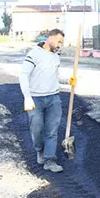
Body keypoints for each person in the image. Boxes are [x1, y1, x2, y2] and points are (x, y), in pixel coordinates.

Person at [20, 29, 68, 173]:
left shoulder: (55, 57)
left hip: (54, 97)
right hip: (35, 98)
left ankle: (50, 159)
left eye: (62, 42)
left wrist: (67, 81)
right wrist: (27, 97)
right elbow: (23, 76)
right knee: (37, 128)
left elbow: (55, 76)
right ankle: (39, 150)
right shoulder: (33, 54)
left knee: (52, 129)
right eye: (59, 41)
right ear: (50, 38)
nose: (60, 45)